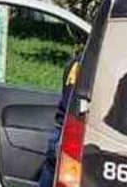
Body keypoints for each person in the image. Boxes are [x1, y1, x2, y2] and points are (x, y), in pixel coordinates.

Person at [38, 52, 82, 187]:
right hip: (74, 134)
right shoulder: (95, 65)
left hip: (60, 130)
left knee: (50, 172)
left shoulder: (75, 61)